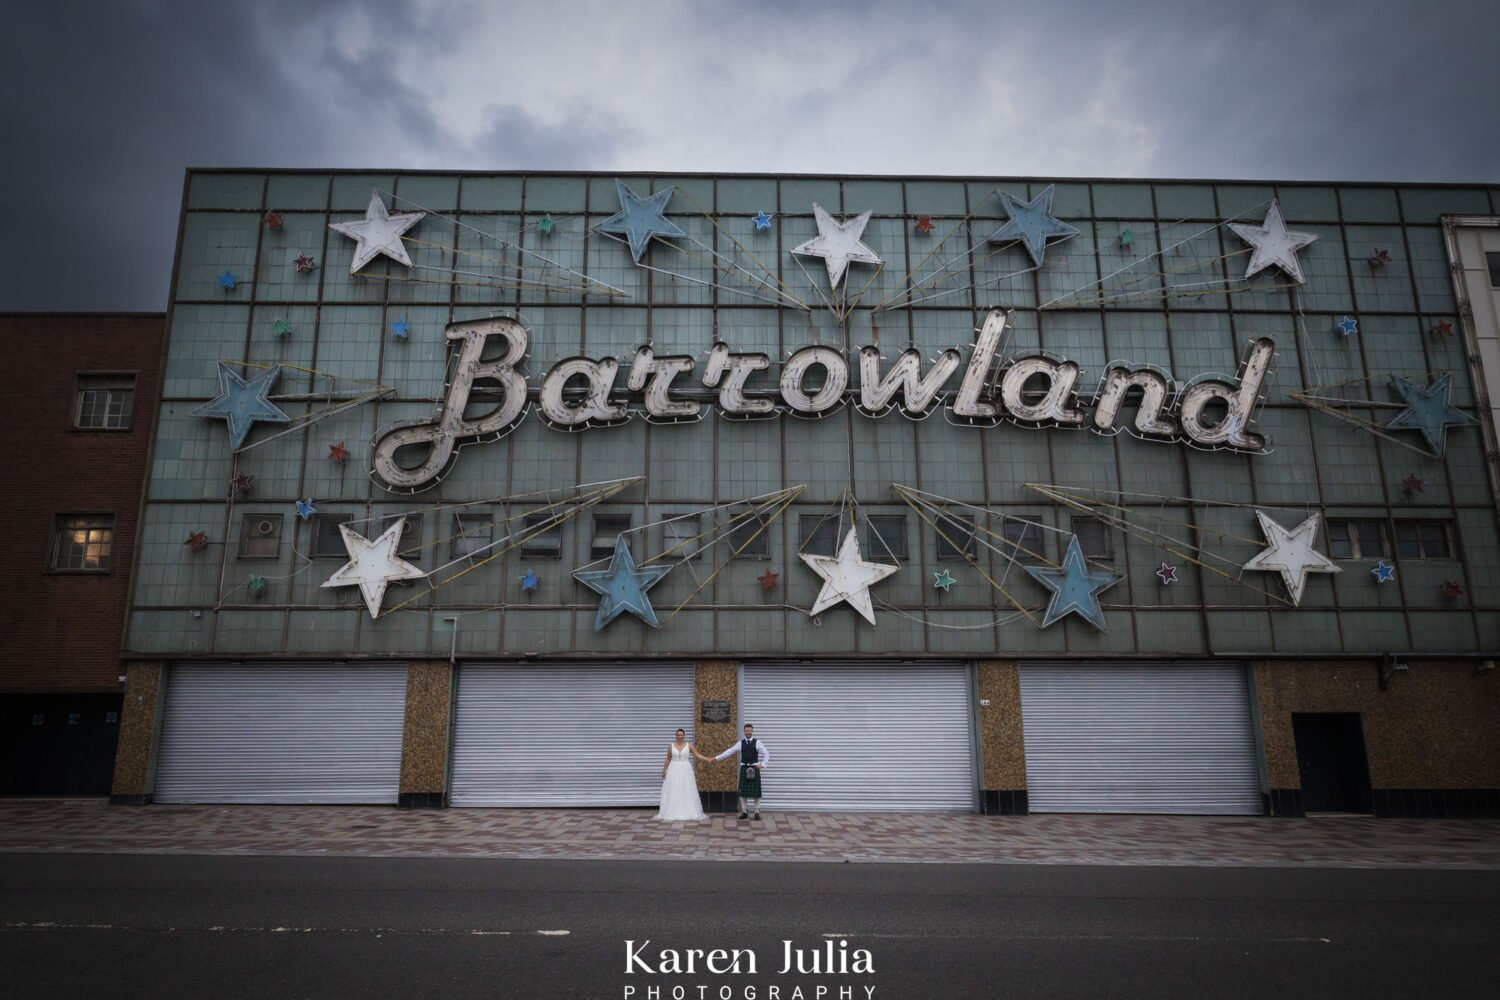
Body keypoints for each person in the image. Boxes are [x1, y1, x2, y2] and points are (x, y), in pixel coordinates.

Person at [713, 723, 770, 820]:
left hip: (754, 768)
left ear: (752, 731)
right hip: (744, 768)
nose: (748, 732)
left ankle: (756, 812)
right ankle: (744, 812)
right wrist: (716, 758)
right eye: (746, 730)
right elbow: (729, 751)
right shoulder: (740, 743)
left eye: (749, 730)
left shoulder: (757, 742)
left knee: (756, 793)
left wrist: (763, 764)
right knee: (742, 792)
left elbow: (766, 753)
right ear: (744, 731)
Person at [656, 728, 711, 822]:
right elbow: (668, 759)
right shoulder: (671, 746)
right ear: (676, 736)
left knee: (686, 788)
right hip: (673, 769)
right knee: (674, 789)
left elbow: (697, 755)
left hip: (686, 770)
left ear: (684, 735)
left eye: (681, 735)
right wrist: (664, 770)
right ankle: (672, 811)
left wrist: (707, 759)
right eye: (678, 735)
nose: (680, 736)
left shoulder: (689, 746)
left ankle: (688, 811)